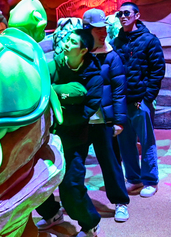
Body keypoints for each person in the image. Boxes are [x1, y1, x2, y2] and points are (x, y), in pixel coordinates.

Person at [36, 29, 103, 237]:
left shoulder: (93, 77)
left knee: (71, 186)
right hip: (48, 137)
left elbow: (86, 112)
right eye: (67, 39)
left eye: (73, 42)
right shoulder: (54, 65)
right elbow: (40, 86)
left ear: (83, 51)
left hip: (75, 140)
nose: (66, 43)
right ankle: (52, 214)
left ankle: (90, 224)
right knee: (38, 180)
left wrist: (58, 98)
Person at [113, 2, 165, 198]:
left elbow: (157, 70)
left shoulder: (149, 40)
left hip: (140, 101)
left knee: (146, 141)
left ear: (137, 15)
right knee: (125, 142)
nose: (123, 16)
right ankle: (134, 179)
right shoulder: (116, 42)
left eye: (127, 13)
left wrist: (147, 98)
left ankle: (150, 180)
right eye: (120, 14)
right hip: (122, 102)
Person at [82, 8, 130, 222]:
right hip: (82, 121)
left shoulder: (112, 56)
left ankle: (121, 202)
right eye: (97, 29)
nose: (103, 33)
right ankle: (75, 206)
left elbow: (119, 91)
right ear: (87, 30)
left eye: (104, 28)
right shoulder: (77, 53)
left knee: (111, 163)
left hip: (104, 121)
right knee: (75, 165)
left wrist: (119, 120)